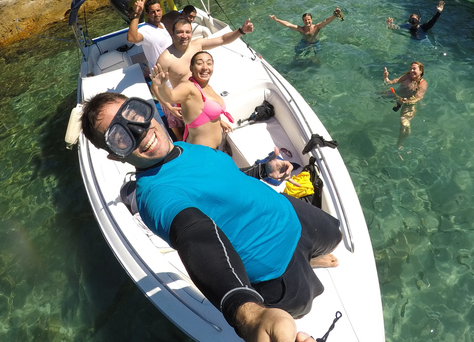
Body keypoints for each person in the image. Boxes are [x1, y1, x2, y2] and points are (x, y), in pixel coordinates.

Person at [80, 92, 341, 342]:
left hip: (291, 213)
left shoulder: (183, 148)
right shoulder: (157, 196)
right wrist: (248, 314)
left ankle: (312, 258)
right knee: (305, 306)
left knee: (335, 234)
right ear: (115, 155)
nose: (137, 131)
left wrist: (262, 170)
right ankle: (305, 265)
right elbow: (194, 235)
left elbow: (223, 179)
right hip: (275, 266)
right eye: (119, 137)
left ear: (145, 109)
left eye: (133, 114)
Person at [153, 17, 254, 140]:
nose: (184, 35)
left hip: (203, 94)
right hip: (184, 100)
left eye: (187, 32)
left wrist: (241, 31)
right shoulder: (165, 59)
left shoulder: (197, 44)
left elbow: (222, 39)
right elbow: (155, 87)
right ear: (172, 34)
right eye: (180, 32)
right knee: (185, 136)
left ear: (191, 33)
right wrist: (169, 107)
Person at [151, 51, 234, 150]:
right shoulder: (188, 87)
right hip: (201, 153)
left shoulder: (206, 86)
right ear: (191, 68)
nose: (205, 67)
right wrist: (162, 86)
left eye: (209, 63)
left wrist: (219, 121)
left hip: (214, 149)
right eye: (199, 63)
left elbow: (205, 111)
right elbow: (170, 97)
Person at [383, 62, 428, 149]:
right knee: (375, 96)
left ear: (421, 70)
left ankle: (400, 143)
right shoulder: (407, 76)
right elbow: (391, 82)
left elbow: (418, 98)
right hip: (398, 95)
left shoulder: (422, 84)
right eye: (411, 68)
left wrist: (407, 101)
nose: (411, 71)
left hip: (409, 102)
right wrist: (386, 78)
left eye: (414, 69)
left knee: (404, 124)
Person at [127, 0, 173, 71]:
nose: (156, 14)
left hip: (173, 70)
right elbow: (131, 38)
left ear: (161, 10)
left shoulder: (162, 25)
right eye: (153, 12)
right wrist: (137, 14)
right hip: (162, 76)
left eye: (158, 10)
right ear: (147, 14)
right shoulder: (145, 30)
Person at [269, 7, 342, 45]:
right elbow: (288, 24)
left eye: (309, 19)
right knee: (297, 55)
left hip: (315, 44)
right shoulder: (301, 29)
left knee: (316, 58)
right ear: (303, 21)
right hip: (304, 43)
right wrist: (276, 19)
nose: (307, 21)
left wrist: (335, 15)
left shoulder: (317, 27)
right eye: (305, 20)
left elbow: (326, 21)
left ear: (312, 20)